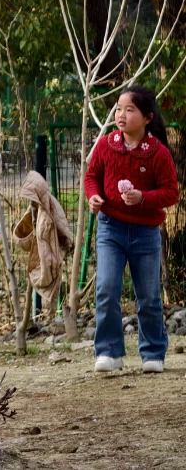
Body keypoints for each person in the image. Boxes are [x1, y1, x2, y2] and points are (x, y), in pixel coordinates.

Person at [84, 86, 179, 373]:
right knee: (106, 289)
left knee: (148, 297)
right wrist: (93, 197)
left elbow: (171, 193)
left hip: (146, 234)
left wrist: (143, 198)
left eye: (129, 109)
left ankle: (153, 353)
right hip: (110, 229)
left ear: (147, 117)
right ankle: (109, 352)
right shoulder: (104, 145)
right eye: (118, 108)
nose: (120, 114)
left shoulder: (158, 153)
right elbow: (91, 176)